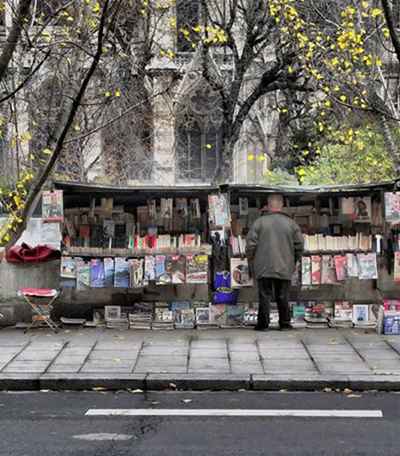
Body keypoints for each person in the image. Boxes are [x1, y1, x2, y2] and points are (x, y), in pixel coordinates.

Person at [246, 194, 304, 331]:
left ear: (268, 205)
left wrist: (251, 259)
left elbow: (250, 245)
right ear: (281, 206)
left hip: (263, 265)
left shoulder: (259, 222)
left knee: (264, 296)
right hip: (285, 265)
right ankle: (284, 324)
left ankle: (263, 325)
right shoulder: (291, 223)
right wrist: (293, 260)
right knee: (283, 295)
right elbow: (299, 245)